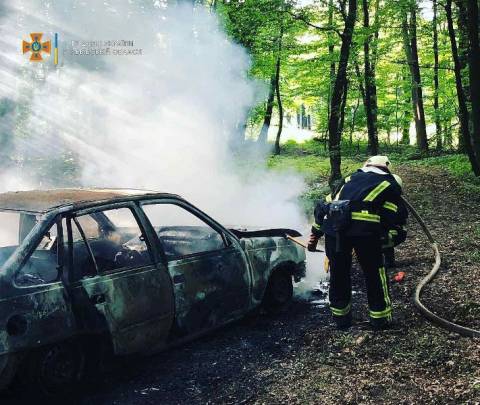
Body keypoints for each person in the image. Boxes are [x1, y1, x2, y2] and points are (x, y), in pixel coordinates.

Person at [308, 156, 402, 330]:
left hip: (335, 230)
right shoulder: (390, 183)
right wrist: (385, 238)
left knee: (338, 273)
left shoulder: (349, 178)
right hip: (365, 232)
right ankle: (380, 319)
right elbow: (390, 217)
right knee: (374, 273)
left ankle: (341, 320)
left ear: (366, 165)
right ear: (387, 168)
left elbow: (324, 206)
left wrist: (315, 232)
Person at [382, 174, 408, 269]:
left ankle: (389, 261)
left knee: (385, 236)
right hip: (391, 229)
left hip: (396, 231)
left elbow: (399, 217)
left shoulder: (397, 202)